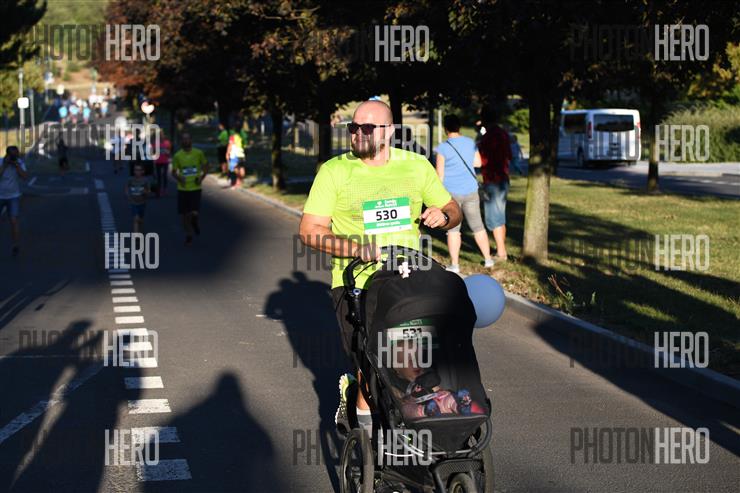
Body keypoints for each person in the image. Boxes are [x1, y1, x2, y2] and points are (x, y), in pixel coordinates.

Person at [298, 100, 461, 434]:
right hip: (357, 282)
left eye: (367, 128)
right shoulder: (335, 171)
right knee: (370, 365)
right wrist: (357, 249)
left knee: (418, 359)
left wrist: (443, 216)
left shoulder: (415, 166)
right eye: (353, 127)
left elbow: (452, 208)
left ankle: (421, 424)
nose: (357, 134)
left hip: (409, 279)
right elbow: (310, 231)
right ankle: (369, 436)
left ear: (389, 131)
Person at [435, 114, 493, 272]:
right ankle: (488, 259)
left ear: (445, 128)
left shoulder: (443, 147)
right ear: (459, 126)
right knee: (478, 226)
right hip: (471, 190)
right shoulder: (470, 142)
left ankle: (455, 265)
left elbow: (440, 174)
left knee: (453, 229)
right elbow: (478, 163)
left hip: (451, 194)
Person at [478, 108, 511, 261]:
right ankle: (501, 249)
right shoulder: (503, 133)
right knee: (500, 215)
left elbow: (482, 159)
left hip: (492, 179)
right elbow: (509, 155)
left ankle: (501, 253)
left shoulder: (488, 137)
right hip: (503, 178)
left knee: (494, 217)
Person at [171, 132, 208, 246]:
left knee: (194, 212)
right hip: (183, 189)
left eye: (187, 139)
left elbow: (206, 166)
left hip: (195, 188)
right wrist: (179, 178)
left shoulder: (198, 153)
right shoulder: (177, 156)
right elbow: (173, 172)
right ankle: (189, 235)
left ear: (191, 140)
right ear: (181, 141)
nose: (186, 141)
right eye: (183, 139)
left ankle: (194, 221)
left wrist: (201, 177)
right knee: (184, 215)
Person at [0, 146, 28, 256]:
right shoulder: (1, 162)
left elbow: (25, 177)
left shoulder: (19, 162)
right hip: (0, 196)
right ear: (7, 155)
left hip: (13, 196)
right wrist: (5, 165)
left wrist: (17, 166)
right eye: (12, 155)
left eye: (15, 155)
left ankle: (15, 244)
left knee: (14, 221)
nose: (14, 157)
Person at [125, 163, 151, 233]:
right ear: (134, 171)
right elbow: (126, 188)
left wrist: (145, 192)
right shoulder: (130, 180)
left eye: (139, 170)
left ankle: (140, 230)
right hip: (134, 203)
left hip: (142, 202)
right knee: (135, 219)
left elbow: (149, 191)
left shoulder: (145, 180)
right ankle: (136, 235)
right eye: (136, 170)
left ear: (143, 171)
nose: (137, 172)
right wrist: (127, 195)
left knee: (140, 219)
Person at [154, 130, 172, 196]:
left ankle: (165, 189)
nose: (161, 136)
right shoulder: (155, 143)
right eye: (159, 135)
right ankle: (159, 189)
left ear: (164, 136)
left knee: (164, 175)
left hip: (165, 161)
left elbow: (169, 151)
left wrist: (168, 153)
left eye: (162, 135)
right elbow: (153, 152)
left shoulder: (167, 142)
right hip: (158, 161)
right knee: (159, 176)